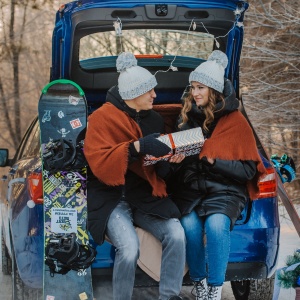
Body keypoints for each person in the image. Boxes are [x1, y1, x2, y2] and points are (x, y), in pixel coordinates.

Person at [84, 52, 186, 300]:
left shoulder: (155, 119)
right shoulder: (100, 119)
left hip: (144, 194)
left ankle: (169, 296)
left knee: (176, 234)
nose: (155, 95)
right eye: (149, 90)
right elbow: (99, 163)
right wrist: (138, 147)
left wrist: (169, 161)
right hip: (110, 197)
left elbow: (155, 168)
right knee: (129, 248)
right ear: (132, 94)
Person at [171, 50, 267, 300]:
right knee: (189, 226)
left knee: (216, 225)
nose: (195, 93)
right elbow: (178, 165)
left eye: (200, 87)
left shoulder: (237, 123)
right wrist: (175, 159)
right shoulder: (185, 119)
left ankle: (214, 288)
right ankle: (199, 282)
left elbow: (248, 171)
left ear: (214, 90)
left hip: (226, 190)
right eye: (192, 87)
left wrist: (215, 161)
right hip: (192, 189)